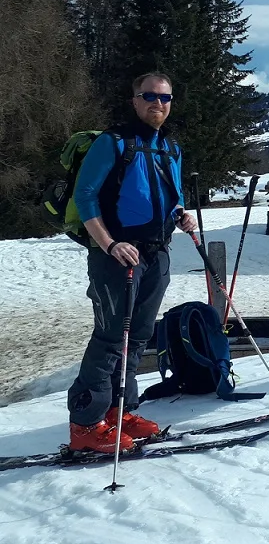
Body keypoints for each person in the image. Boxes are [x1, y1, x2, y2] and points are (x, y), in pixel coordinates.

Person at [67, 72, 197, 453]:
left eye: (165, 98)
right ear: (135, 101)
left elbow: (171, 196)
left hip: (157, 254)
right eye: (150, 96)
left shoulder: (170, 148)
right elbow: (86, 196)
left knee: (138, 337)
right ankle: (86, 423)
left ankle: (119, 411)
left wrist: (180, 215)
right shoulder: (113, 143)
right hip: (116, 256)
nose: (159, 104)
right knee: (111, 337)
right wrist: (109, 244)